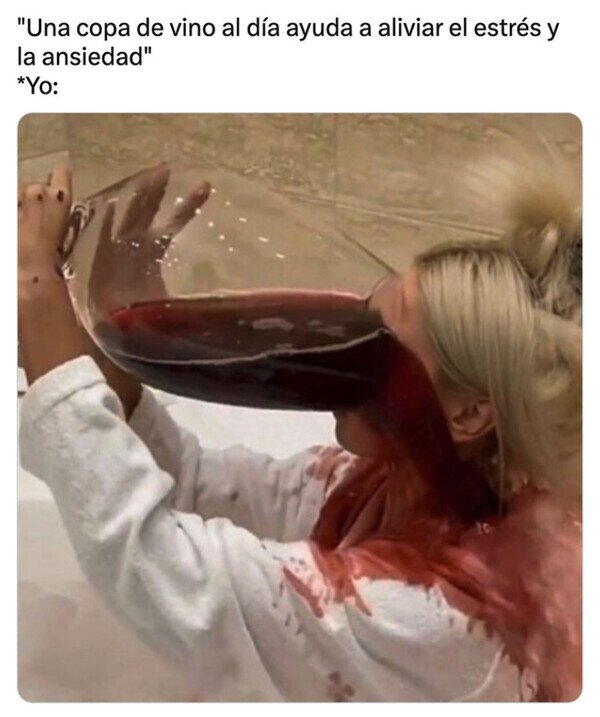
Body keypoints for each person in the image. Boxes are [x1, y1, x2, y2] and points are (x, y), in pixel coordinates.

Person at [18, 163, 582, 702]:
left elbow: (175, 580)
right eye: (366, 309)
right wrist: (112, 344)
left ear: (467, 415)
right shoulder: (411, 485)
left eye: (379, 343)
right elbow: (200, 486)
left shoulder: (447, 614)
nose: (339, 345)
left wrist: (37, 296)